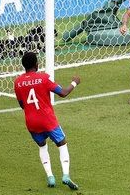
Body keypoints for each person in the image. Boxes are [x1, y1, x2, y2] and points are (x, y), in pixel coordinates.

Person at [13, 52, 81, 190]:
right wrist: (75, 82)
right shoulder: (44, 78)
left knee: (42, 146)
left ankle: (50, 176)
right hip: (47, 120)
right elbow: (63, 93)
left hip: (31, 121)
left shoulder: (18, 82)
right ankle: (66, 175)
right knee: (62, 144)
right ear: (36, 64)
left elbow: (22, 105)